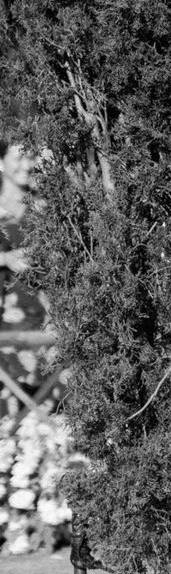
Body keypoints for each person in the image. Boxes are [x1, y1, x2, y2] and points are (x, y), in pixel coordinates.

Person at [0, 139, 46, 388]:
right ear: (1, 160)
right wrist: (6, 259)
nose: (26, 165)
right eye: (18, 158)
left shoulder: (42, 205)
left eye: (31, 157)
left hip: (37, 306)